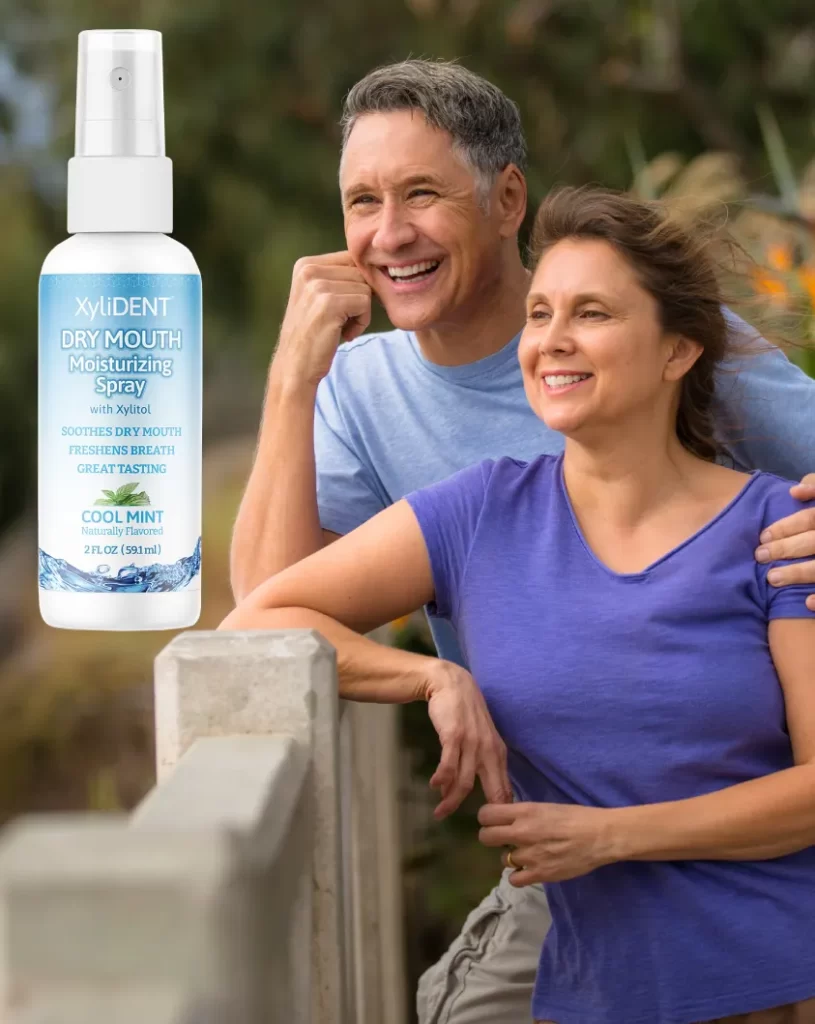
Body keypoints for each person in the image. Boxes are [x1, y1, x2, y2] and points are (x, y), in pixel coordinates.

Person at [229, 60, 815, 1024]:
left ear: (507, 199)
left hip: (734, 823)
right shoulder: (396, 426)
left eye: (421, 193)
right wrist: (294, 382)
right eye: (362, 202)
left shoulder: (673, 353)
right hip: (561, 847)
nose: (388, 234)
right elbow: (269, 612)